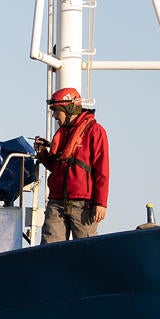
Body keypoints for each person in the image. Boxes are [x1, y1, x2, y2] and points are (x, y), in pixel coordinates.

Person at [33, 87, 109, 241]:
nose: (54, 115)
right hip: (56, 202)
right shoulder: (62, 133)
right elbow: (57, 167)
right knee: (50, 249)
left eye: (56, 110)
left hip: (84, 205)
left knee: (86, 252)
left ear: (68, 108)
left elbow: (102, 169)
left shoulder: (95, 131)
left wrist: (101, 203)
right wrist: (42, 154)